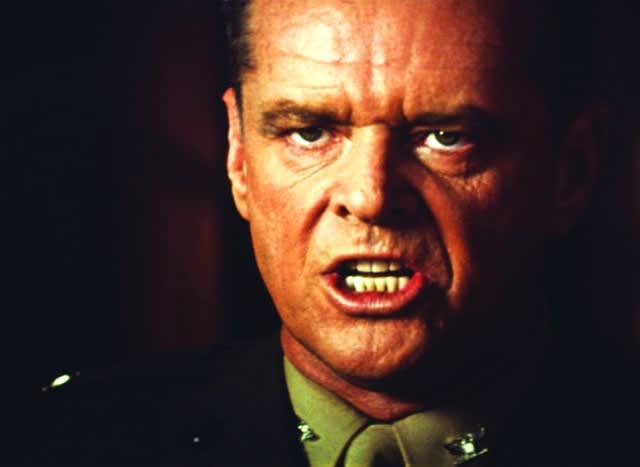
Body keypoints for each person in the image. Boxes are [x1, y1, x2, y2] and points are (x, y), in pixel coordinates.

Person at [9, 0, 636, 466]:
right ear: (238, 158)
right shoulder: (60, 444)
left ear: (570, 171)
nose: (369, 197)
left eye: (446, 137)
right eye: (309, 132)